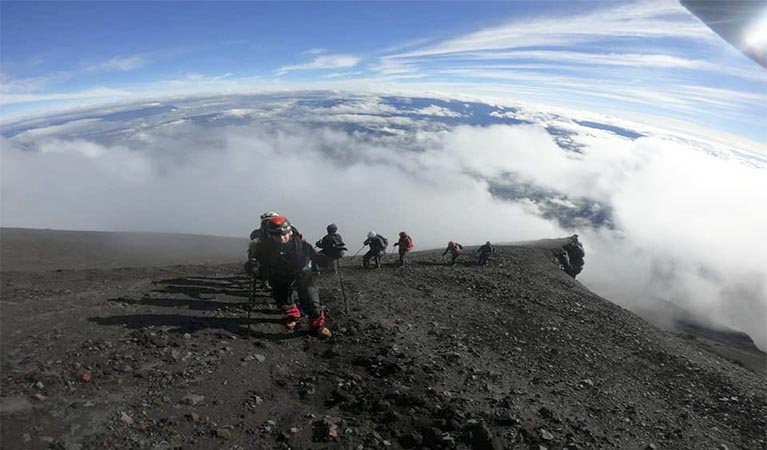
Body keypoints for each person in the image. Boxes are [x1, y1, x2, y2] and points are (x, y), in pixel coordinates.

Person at [253, 215, 331, 338]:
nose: (281, 238)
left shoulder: (301, 244)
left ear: (289, 232)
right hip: (279, 277)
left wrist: (329, 257)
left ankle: (318, 326)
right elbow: (259, 261)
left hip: (303, 275)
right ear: (270, 235)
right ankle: (292, 317)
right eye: (277, 235)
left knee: (312, 301)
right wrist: (254, 267)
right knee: (284, 301)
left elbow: (316, 257)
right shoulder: (265, 248)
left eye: (284, 234)